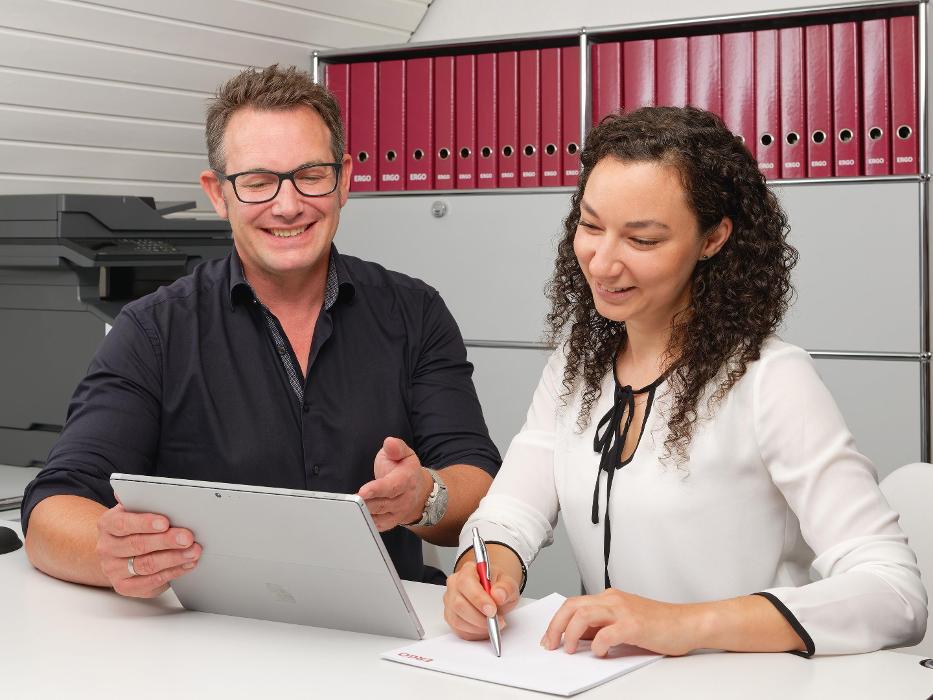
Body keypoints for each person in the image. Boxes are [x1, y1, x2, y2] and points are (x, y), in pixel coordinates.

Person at [443, 106, 927, 657]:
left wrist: (681, 624)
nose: (602, 263)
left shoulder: (771, 379)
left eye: (642, 240)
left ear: (713, 238)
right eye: (591, 225)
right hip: (610, 682)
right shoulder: (575, 369)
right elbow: (511, 512)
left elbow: (894, 593)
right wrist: (484, 573)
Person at [22, 64, 500, 597]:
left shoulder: (415, 312)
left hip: (386, 643)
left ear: (342, 178)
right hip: (216, 640)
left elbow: (477, 480)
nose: (288, 204)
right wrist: (111, 553)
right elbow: (52, 506)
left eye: (310, 175)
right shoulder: (152, 330)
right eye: (258, 182)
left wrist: (425, 497)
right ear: (217, 193)